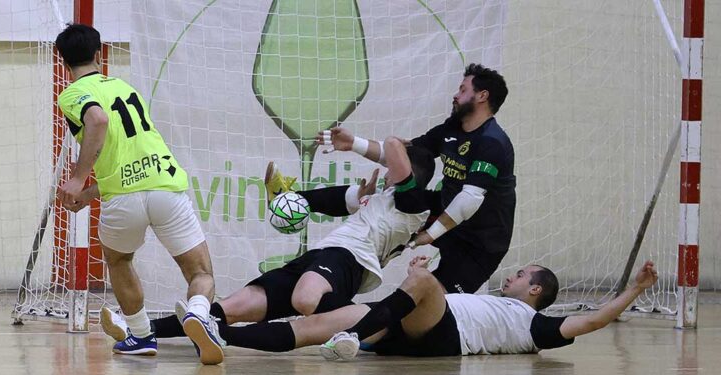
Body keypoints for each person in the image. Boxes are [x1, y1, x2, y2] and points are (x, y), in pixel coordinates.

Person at [101, 138, 436, 340]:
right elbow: (319, 201)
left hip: (349, 261)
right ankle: (142, 331)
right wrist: (281, 194)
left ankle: (372, 322)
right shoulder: (381, 194)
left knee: (307, 299)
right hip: (320, 256)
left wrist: (362, 145)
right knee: (232, 307)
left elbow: (392, 146)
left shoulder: (416, 203)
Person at [54, 24, 222, 364]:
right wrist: (89, 193)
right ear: (100, 54)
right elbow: (130, 151)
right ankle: (199, 313)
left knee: (119, 260)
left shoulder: (72, 94)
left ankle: (142, 335)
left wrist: (77, 178)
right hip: (165, 188)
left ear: (63, 62)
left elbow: (97, 120)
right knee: (201, 273)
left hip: (123, 198)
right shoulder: (124, 87)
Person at [318, 63, 515, 294]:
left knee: (436, 303)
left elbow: (469, 200)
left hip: (480, 241)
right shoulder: (451, 128)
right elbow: (403, 155)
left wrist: (428, 236)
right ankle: (344, 253)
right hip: (446, 209)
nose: (455, 94)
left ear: (482, 96)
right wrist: (354, 144)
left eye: (462, 90)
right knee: (396, 202)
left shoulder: (492, 143)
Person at [207, 259, 658, 359]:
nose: (511, 277)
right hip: (404, 323)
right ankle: (219, 336)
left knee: (424, 282)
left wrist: (635, 289)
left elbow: (595, 319)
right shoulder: (491, 299)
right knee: (310, 325)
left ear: (536, 290)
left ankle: (356, 335)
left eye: (521, 275)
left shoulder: (536, 324)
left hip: (445, 336)